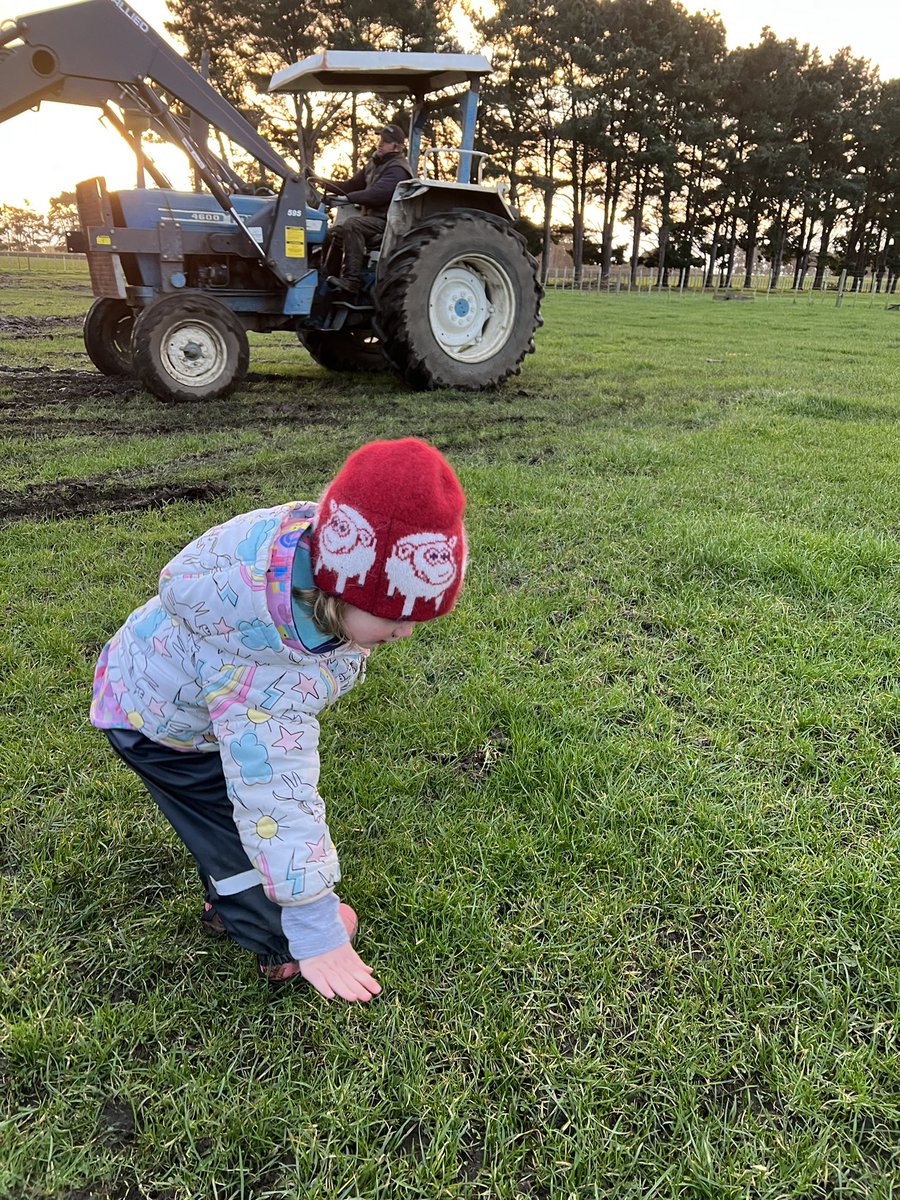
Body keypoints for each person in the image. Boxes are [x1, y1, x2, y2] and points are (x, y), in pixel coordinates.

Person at [90, 438, 466, 1002]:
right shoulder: (265, 667)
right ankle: (277, 943)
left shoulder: (310, 547)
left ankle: (237, 904)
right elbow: (274, 795)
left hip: (147, 677)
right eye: (392, 616)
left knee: (230, 810)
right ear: (340, 589)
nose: (406, 631)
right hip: (158, 728)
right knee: (231, 825)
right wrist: (316, 925)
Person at [316, 123, 414, 296]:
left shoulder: (398, 169)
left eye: (386, 141)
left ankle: (351, 281)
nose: (380, 143)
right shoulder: (374, 164)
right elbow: (351, 185)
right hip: (371, 220)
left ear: (397, 147)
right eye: (380, 139)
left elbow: (377, 194)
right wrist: (321, 182)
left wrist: (347, 198)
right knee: (333, 233)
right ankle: (327, 280)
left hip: (387, 222)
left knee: (352, 225)